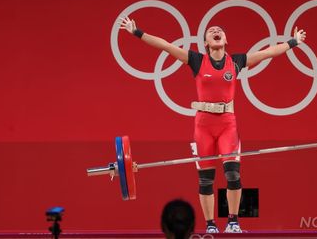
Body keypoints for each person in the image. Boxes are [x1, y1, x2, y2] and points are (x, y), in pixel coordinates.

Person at [120, 16, 307, 233]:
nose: (216, 31)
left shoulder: (236, 61)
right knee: (206, 180)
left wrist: (293, 42)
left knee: (233, 174)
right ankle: (210, 226)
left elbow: (267, 53)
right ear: (206, 43)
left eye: (220, 30)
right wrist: (137, 32)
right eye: (211, 31)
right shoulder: (197, 60)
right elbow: (165, 46)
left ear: (225, 40)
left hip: (228, 125)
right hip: (203, 126)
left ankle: (233, 222)